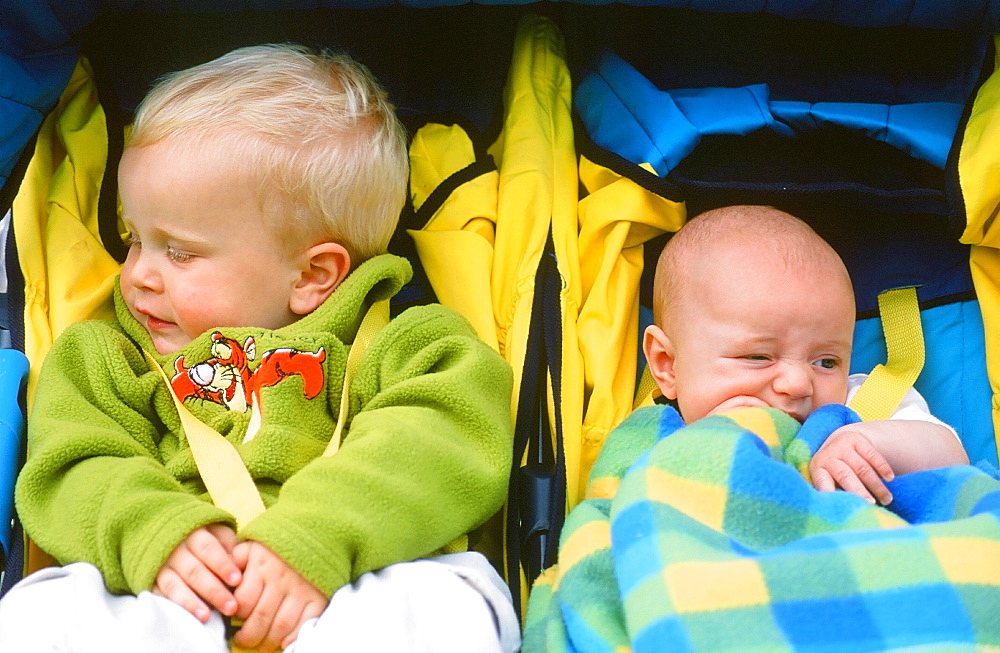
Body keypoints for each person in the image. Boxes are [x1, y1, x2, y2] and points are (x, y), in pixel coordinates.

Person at [0, 44, 519, 653]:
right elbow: (74, 466)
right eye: (133, 236)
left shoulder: (406, 344)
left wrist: (319, 535)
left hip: (360, 576)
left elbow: (445, 439)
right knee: (41, 613)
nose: (136, 272)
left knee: (449, 606)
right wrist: (156, 534)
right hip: (173, 590)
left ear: (311, 276)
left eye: (180, 251)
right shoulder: (105, 358)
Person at [642, 205, 968, 506]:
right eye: (758, 357)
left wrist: (865, 441)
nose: (799, 384)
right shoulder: (655, 437)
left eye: (827, 362)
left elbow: (952, 455)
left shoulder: (859, 406)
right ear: (668, 365)